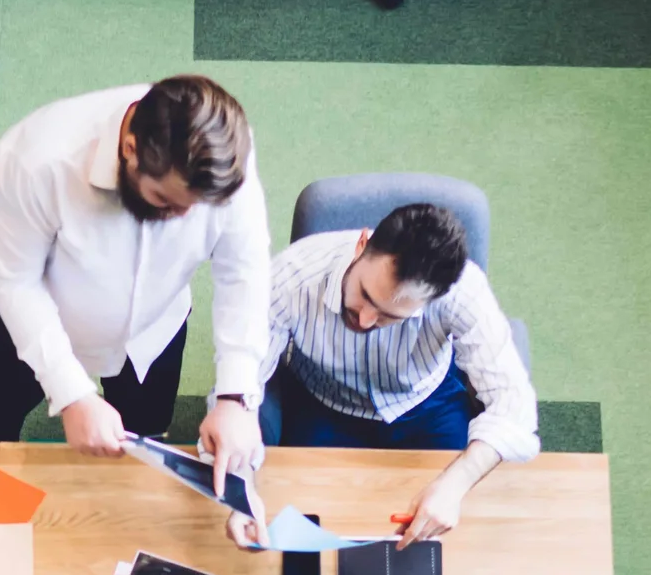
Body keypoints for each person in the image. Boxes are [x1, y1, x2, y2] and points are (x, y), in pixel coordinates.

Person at [0, 75, 270, 493]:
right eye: (167, 203)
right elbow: (15, 280)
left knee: (141, 453)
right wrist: (72, 393)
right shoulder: (34, 161)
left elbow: (244, 269)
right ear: (130, 149)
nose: (184, 219)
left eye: (196, 209)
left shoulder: (228, 158)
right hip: (37, 326)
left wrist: (236, 397)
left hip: (154, 335)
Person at [229, 202, 537, 550]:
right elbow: (239, 385)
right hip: (324, 404)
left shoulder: (463, 290)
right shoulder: (291, 276)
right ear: (362, 245)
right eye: (364, 294)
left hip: (427, 404)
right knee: (303, 536)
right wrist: (239, 487)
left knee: (459, 539)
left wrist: (455, 483)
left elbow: (514, 405)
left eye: (390, 315)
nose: (363, 320)